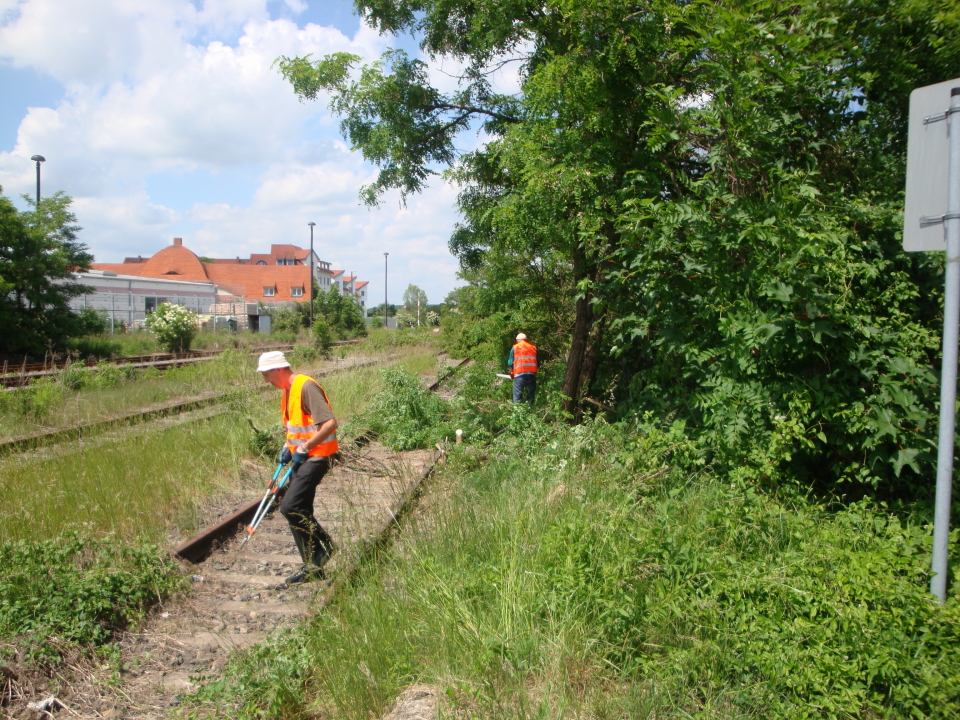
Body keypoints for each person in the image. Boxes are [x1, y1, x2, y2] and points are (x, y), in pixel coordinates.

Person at [257, 350, 338, 585]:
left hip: (317, 457)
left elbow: (330, 423)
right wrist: (288, 447)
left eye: (266, 374)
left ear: (279, 369)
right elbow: (296, 427)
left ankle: (325, 548)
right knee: (300, 508)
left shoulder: (306, 387)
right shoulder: (287, 392)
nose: (265, 380)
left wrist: (305, 447)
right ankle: (313, 567)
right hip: (302, 457)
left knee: (290, 506)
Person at [508, 333, 538, 405]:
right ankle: (529, 412)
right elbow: (538, 362)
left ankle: (518, 413)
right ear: (526, 340)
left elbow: (509, 362)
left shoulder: (515, 348)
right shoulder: (533, 348)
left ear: (517, 340)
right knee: (530, 398)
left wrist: (512, 371)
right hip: (532, 376)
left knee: (517, 398)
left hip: (519, 376)